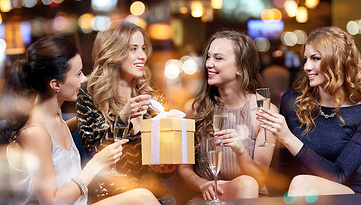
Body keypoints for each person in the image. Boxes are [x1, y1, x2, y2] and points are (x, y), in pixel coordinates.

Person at [4, 36, 160, 205]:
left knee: (143, 195)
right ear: (56, 85)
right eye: (78, 74)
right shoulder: (35, 133)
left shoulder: (56, 117)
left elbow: (85, 123)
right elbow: (51, 202)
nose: (84, 80)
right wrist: (95, 165)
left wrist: (121, 114)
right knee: (142, 198)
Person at [76, 21, 176, 202]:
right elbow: (95, 151)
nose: (142, 56)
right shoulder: (89, 95)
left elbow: (164, 169)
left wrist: (166, 165)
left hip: (151, 195)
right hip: (109, 196)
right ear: (113, 52)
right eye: (133, 49)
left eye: (143, 49)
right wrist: (123, 119)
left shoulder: (154, 99)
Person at [257, 26, 361, 196]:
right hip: (301, 194)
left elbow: (338, 174)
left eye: (315, 58)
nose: (306, 67)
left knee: (301, 181)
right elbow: (285, 162)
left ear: (337, 60)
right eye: (305, 59)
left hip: (346, 192)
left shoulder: (358, 112)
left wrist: (288, 138)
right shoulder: (293, 101)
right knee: (298, 183)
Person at [178, 30, 278, 201]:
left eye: (218, 58)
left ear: (241, 67)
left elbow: (260, 179)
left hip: (249, 197)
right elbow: (184, 169)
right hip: (208, 196)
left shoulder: (264, 111)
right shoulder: (196, 109)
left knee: (247, 184)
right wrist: (202, 184)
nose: (209, 63)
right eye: (208, 57)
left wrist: (240, 150)